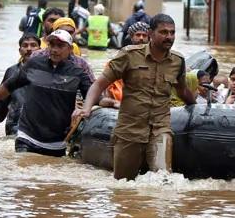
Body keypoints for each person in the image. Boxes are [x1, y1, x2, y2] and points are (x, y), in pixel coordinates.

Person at [73, 14, 196, 180]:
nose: (169, 37)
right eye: (164, 32)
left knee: (163, 178)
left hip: (160, 128)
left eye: (172, 33)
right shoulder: (129, 55)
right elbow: (99, 84)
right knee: (124, 183)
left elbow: (182, 91)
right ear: (151, 33)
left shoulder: (177, 61)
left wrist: (197, 108)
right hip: (129, 129)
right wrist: (87, 108)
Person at [0, 30, 92, 157]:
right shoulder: (34, 65)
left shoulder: (78, 73)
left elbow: (93, 95)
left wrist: (89, 107)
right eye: (52, 45)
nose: (55, 49)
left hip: (57, 143)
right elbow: (8, 86)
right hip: (27, 137)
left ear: (70, 49)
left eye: (60, 46)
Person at [0, 33, 41, 137]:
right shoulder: (12, 72)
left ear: (40, 49)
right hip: (14, 129)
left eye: (33, 45)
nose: (29, 49)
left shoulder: (48, 71)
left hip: (38, 129)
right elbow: (1, 102)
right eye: (25, 46)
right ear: (20, 50)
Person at [99, 21, 151, 108]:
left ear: (149, 38)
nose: (141, 38)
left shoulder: (154, 59)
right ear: (131, 37)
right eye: (138, 35)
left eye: (144, 35)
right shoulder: (122, 57)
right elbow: (104, 84)